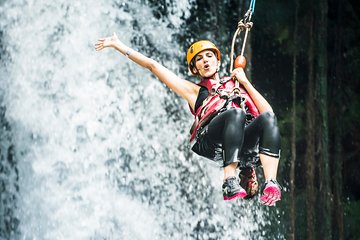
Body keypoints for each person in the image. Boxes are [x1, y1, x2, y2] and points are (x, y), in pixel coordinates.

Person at [95, 33, 282, 206]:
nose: (205, 61)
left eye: (209, 56)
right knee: (236, 114)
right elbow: (153, 66)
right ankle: (229, 181)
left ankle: (271, 182)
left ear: (218, 61)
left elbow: (268, 114)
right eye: (199, 60)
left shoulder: (236, 85)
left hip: (241, 143)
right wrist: (119, 45)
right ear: (195, 68)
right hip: (210, 139)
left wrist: (245, 83)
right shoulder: (194, 91)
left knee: (267, 118)